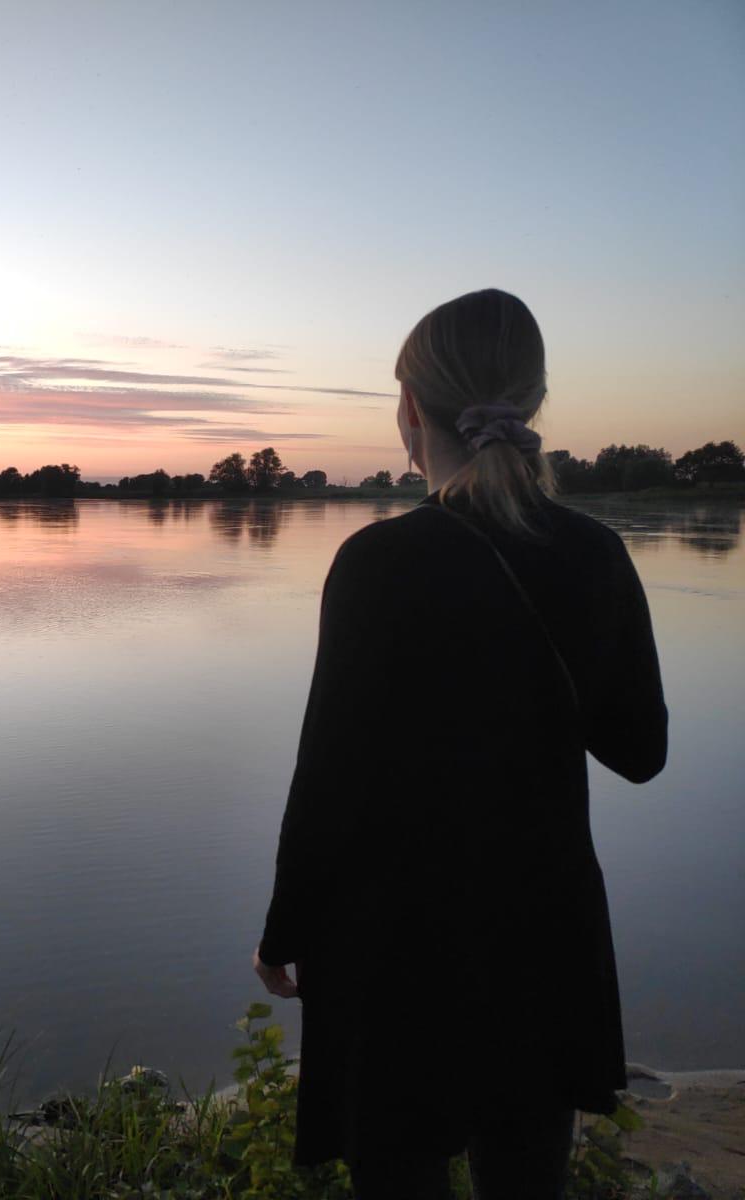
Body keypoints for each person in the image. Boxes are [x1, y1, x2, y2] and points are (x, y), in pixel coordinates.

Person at [251, 288, 668, 1200]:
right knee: (525, 1179)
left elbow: (330, 775)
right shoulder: (595, 553)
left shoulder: (378, 563)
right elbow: (640, 750)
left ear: (411, 410)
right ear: (534, 402)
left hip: (395, 945)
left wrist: (285, 925)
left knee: (399, 1176)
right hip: (541, 934)